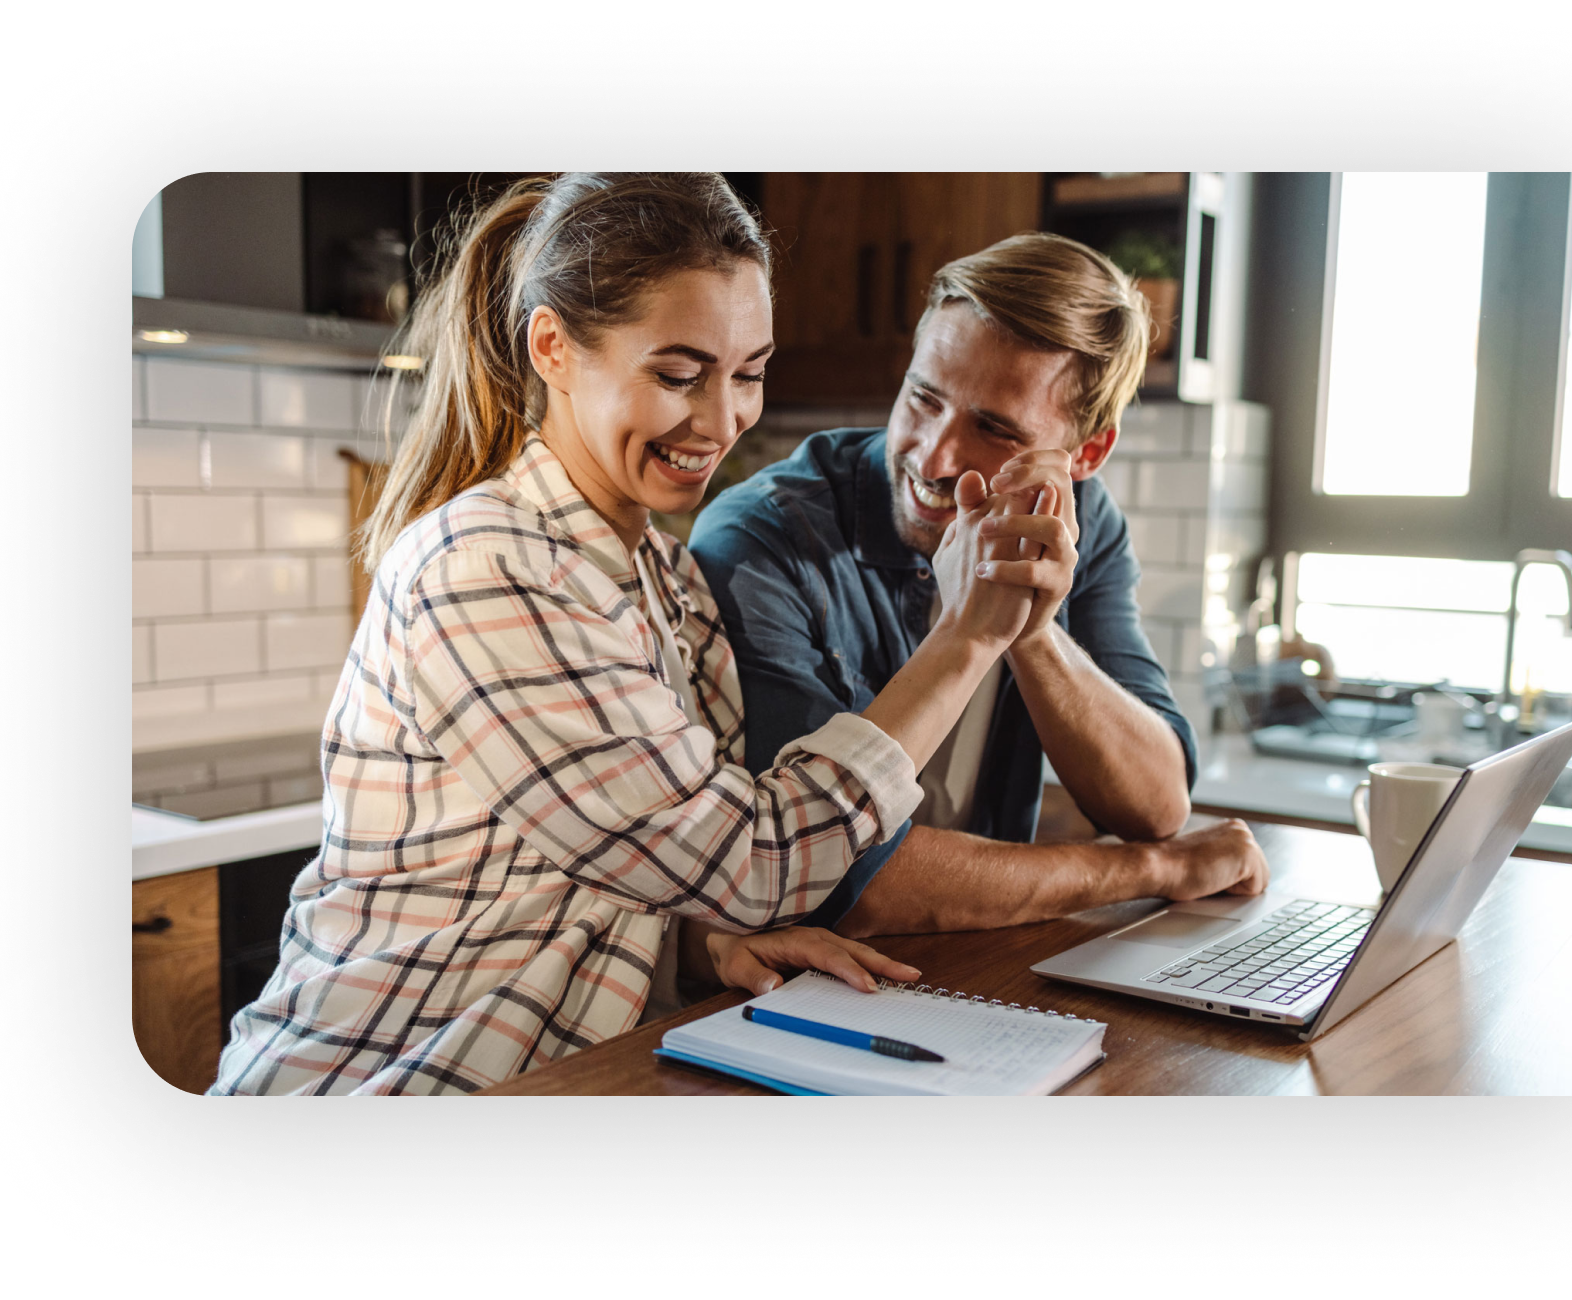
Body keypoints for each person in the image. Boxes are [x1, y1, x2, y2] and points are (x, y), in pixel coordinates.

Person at [209, 173, 1044, 1096]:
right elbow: (756, 860)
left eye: (751, 374)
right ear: (553, 347)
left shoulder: (664, 579)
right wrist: (967, 639)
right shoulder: (486, 565)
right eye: (678, 374)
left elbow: (595, 874)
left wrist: (706, 943)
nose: (722, 419)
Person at [689, 232, 1269, 939]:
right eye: (923, 398)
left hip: (978, 968)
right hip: (790, 991)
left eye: (994, 429)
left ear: (1084, 454)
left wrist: (1034, 630)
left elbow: (1155, 805)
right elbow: (829, 876)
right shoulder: (762, 539)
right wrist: (1155, 871)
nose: (935, 456)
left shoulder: (1077, 523)